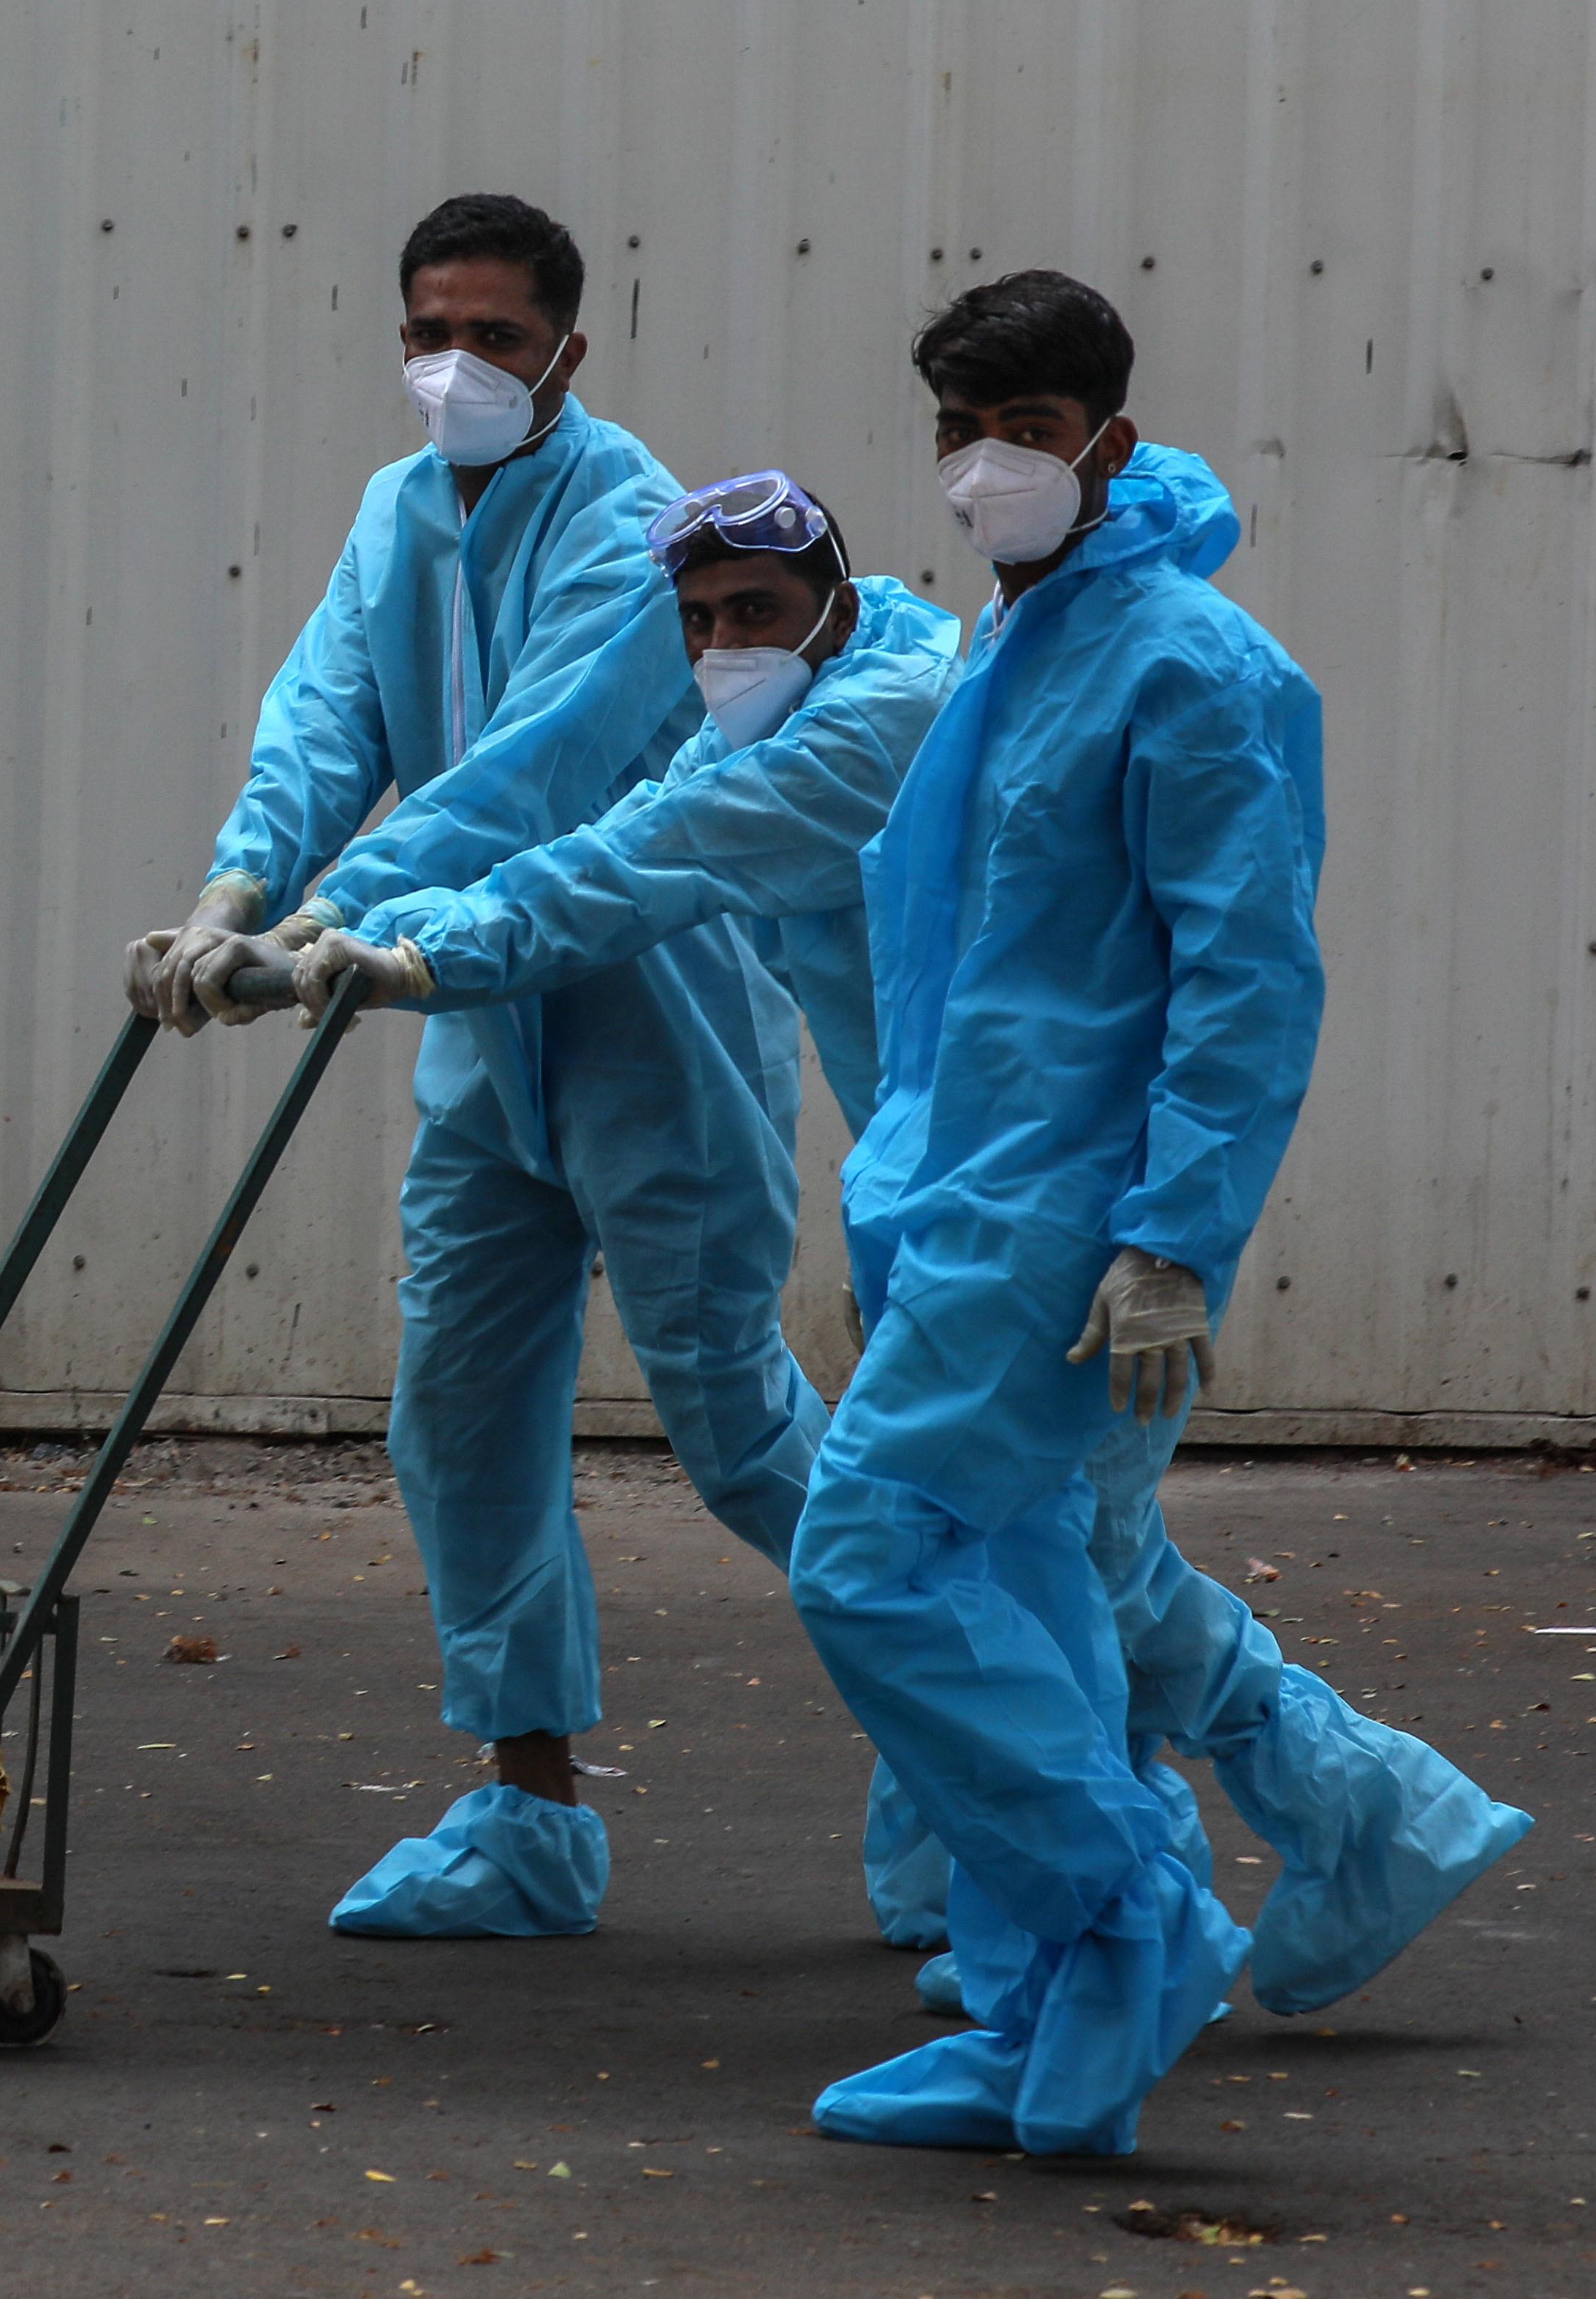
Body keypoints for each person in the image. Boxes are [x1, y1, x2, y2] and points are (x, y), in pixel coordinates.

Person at [261, 471, 1522, 2016]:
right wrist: (316, 908)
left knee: (995, 1549)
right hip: (971, 1198)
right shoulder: (910, 686)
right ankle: (1212, 1864)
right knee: (1059, 1547)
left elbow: (647, 854)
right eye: (703, 620)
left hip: (1062, 1202)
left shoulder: (901, 719)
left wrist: (394, 949)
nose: (725, 645)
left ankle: (1180, 1891)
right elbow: (608, 817)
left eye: (757, 613)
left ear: (839, 600)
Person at [770, 272, 1517, 2157]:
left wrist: (1176, 1232)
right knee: (1034, 1587)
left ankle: (1133, 1916)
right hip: (970, 1198)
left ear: (1106, 428)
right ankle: (1045, 2026)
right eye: (959, 424)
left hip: (1065, 1224)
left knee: (869, 1555)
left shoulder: (1189, 661)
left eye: (1022, 424)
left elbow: (1245, 976)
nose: (983, 462)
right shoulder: (1007, 644)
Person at [126, 194, 827, 1941]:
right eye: (430, 331)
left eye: (496, 337)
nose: (457, 366)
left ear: (567, 352)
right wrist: (234, 882)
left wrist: (323, 925)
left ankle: (1000, 1743)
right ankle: (526, 1808)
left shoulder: (632, 523)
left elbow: (529, 771)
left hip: (640, 1002)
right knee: (458, 1411)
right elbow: (328, 714)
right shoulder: (396, 509)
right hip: (460, 1011)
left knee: (736, 1425)